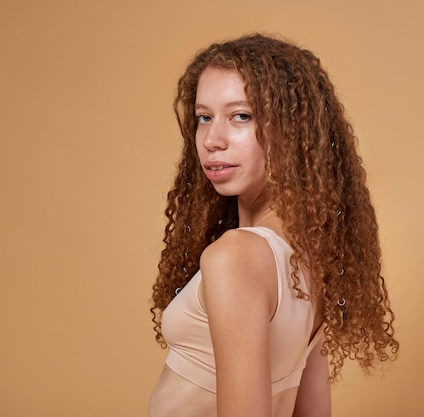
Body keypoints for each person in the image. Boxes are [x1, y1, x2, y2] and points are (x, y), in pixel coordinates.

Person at [149, 33, 399, 417]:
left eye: (241, 116)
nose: (212, 140)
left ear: (292, 131)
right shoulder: (309, 261)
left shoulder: (236, 256)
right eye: (204, 117)